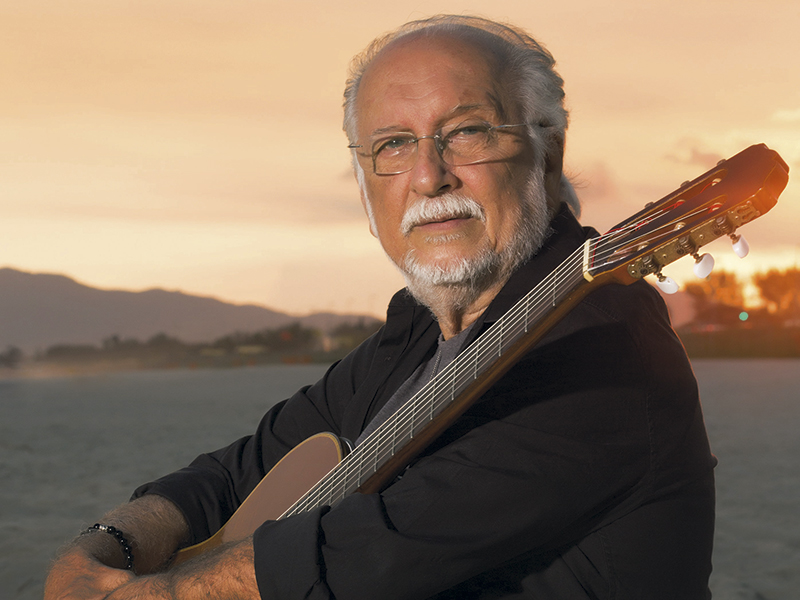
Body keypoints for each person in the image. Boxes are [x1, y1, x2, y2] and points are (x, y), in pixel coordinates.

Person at [45, 15, 716, 600]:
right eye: (393, 145)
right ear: (367, 188)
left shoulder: (606, 358)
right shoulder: (416, 338)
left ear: (547, 154)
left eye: (468, 131)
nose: (429, 177)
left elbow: (362, 553)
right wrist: (106, 547)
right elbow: (238, 471)